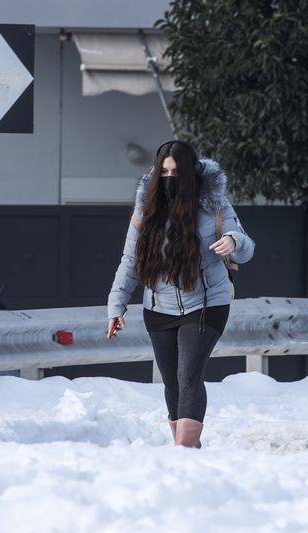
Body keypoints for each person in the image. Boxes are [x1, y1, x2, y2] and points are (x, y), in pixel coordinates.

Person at [105, 140, 256, 448]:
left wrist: (233, 241)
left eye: (176, 171)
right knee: (172, 380)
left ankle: (185, 450)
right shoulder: (145, 210)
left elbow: (246, 246)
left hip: (205, 304)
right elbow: (130, 261)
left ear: (190, 173)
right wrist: (115, 305)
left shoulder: (214, 204)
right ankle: (185, 447)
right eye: (164, 171)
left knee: (188, 376)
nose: (169, 177)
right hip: (157, 307)